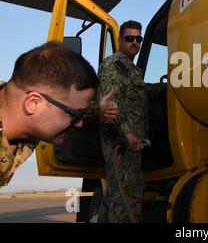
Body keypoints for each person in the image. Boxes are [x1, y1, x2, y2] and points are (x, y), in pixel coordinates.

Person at [0, 42, 118, 188]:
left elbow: (71, 104)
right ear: (34, 103)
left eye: (83, 114)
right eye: (76, 115)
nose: (80, 123)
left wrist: (98, 109)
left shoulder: (23, 104)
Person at [97, 20, 148, 223]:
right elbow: (110, 105)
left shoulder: (132, 69)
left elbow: (138, 93)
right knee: (127, 198)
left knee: (116, 195)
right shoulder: (113, 65)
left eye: (138, 38)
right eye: (129, 38)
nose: (134, 42)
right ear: (119, 41)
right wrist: (127, 132)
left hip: (131, 142)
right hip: (121, 142)